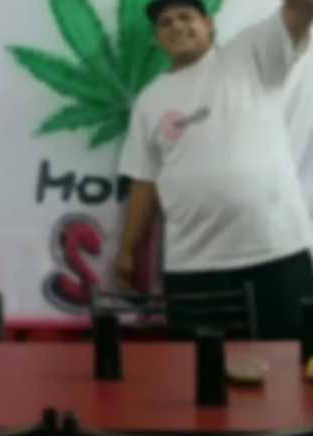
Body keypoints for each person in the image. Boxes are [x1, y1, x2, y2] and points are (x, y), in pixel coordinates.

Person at [116, 0, 313, 338]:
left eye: (186, 17)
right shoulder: (149, 101)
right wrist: (127, 250)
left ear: (209, 23)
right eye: (165, 23)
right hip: (192, 265)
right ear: (156, 38)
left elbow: (300, 10)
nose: (176, 26)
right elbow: (144, 181)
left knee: (291, 375)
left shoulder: (251, 54)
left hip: (274, 254)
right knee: (199, 377)